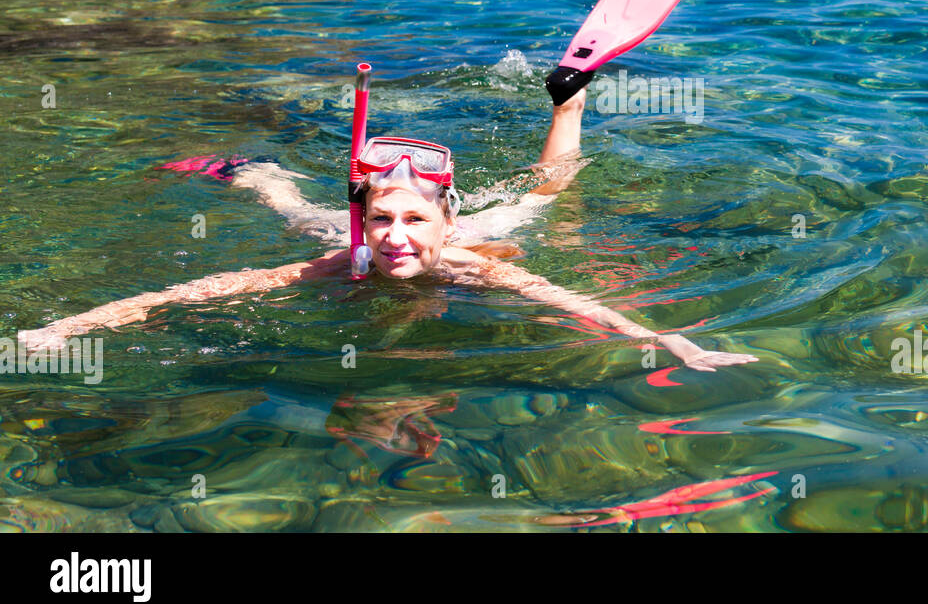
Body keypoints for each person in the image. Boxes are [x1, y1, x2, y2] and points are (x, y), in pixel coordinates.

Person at [19, 79, 757, 374]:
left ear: (443, 219)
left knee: (538, 200)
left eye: (413, 219)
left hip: (480, 231)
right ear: (365, 224)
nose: (397, 235)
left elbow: (578, 308)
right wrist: (69, 327)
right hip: (334, 233)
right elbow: (195, 291)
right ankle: (253, 166)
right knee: (288, 205)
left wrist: (666, 341)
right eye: (382, 221)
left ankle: (568, 104)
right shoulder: (345, 256)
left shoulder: (475, 263)